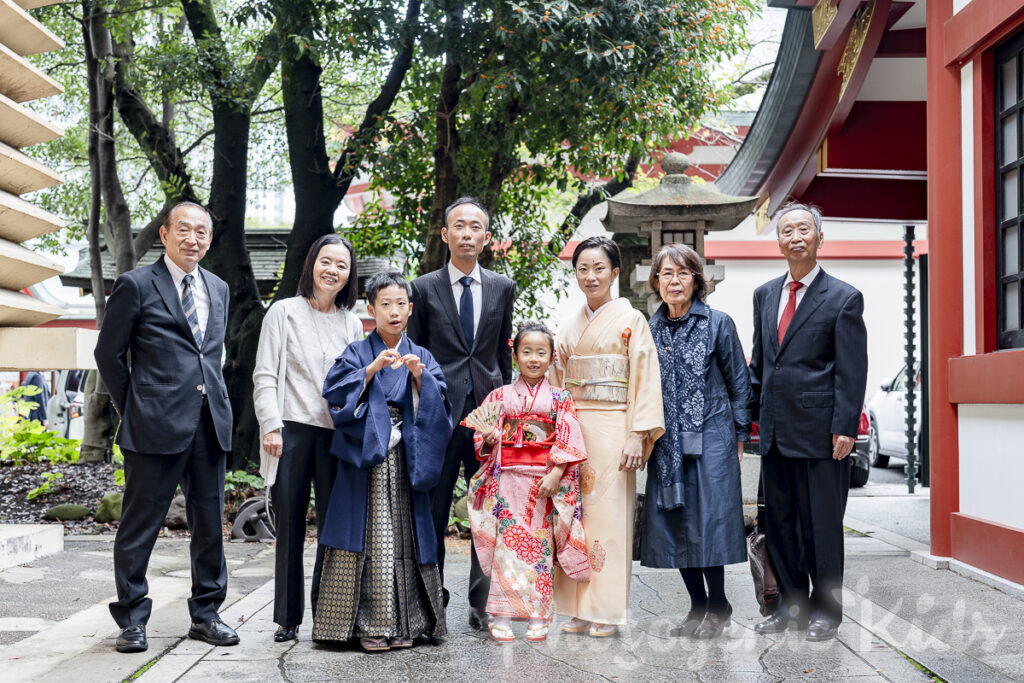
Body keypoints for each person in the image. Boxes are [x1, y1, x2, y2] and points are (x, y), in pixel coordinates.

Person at [94, 201, 237, 653]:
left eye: (202, 232)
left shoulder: (219, 287)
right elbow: (108, 356)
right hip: (152, 424)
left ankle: (207, 614)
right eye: (184, 230)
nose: (193, 239)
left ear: (209, 240)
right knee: (140, 524)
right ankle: (133, 619)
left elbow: (207, 357)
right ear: (164, 234)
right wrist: (134, 407)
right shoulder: (136, 285)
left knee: (210, 525)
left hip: (209, 422)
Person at [313, 271, 451, 652]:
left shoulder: (421, 356)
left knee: (405, 538)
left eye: (400, 304)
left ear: (411, 308)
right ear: (370, 308)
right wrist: (371, 371)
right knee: (374, 538)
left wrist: (421, 379)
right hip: (367, 459)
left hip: (408, 455)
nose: (394, 311)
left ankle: (408, 621)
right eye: (385, 304)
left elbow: (441, 406)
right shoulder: (357, 352)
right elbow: (336, 394)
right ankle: (370, 625)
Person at [749, 203, 868, 642]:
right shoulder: (764, 294)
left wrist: (845, 428)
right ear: (778, 241)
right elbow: (761, 365)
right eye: (786, 231)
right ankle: (791, 606)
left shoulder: (843, 297)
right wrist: (749, 421)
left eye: (803, 229)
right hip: (776, 433)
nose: (795, 237)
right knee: (779, 526)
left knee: (821, 528)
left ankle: (827, 611)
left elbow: (851, 370)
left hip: (822, 435)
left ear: (820, 238)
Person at [407, 197, 516, 630]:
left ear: (486, 238)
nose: (467, 233)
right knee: (432, 509)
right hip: (438, 414)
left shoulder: (503, 287)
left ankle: (482, 602)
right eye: (459, 226)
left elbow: (501, 355)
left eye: (476, 227)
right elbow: (414, 351)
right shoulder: (422, 287)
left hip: (486, 418)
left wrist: (503, 408)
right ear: (445, 234)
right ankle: (432, 600)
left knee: (487, 511)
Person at [550, 236, 665, 638]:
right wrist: (555, 433)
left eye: (599, 268)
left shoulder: (632, 321)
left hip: (614, 427)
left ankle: (607, 610)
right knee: (573, 518)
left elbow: (645, 380)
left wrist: (637, 435)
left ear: (615, 272)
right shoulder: (569, 326)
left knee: (610, 520)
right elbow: (556, 383)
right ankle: (578, 608)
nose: (590, 276)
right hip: (575, 428)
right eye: (583, 268)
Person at [252, 234, 363, 643]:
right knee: (291, 528)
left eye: (342, 265)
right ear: (312, 264)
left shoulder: (351, 322)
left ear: (349, 275)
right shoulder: (283, 312)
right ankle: (287, 618)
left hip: (335, 434)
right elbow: (264, 373)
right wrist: (270, 424)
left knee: (333, 530)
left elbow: (355, 382)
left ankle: (328, 616)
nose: (332, 270)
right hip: (292, 429)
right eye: (326, 261)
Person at [640, 244, 753, 640]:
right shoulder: (648, 330)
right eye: (666, 273)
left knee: (707, 524)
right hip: (667, 442)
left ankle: (719, 604)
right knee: (677, 524)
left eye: (683, 273)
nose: (674, 280)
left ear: (697, 280)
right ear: (656, 282)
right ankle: (698, 605)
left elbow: (740, 383)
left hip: (712, 437)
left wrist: (740, 437)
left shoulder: (718, 323)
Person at [466, 321, 590, 644]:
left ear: (551, 358)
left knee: (540, 550)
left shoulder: (560, 398)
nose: (533, 359)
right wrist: (492, 437)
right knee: (506, 551)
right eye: (526, 352)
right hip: (508, 482)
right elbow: (482, 436)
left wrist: (555, 474)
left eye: (541, 352)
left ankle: (538, 615)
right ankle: (502, 614)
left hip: (544, 483)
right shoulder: (501, 395)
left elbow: (569, 437)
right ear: (515, 356)